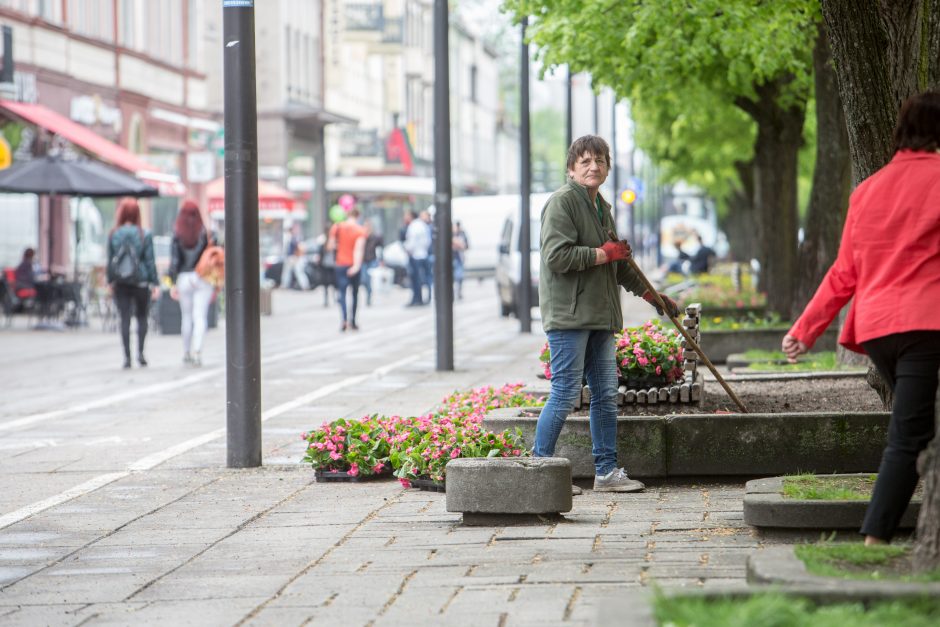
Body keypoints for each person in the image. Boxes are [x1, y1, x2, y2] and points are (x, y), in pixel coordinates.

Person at [783, 91, 940, 546]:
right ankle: (875, 538)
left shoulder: (867, 190)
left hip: (878, 329)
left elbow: (844, 272)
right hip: (925, 326)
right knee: (910, 434)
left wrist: (805, 329)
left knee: (916, 427)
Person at [535, 135, 679, 494]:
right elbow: (558, 256)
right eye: (584, 161)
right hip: (570, 317)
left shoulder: (602, 207)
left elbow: (620, 264)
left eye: (599, 160)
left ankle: (606, 471)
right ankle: (538, 470)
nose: (592, 167)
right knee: (566, 392)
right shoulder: (562, 203)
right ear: (571, 169)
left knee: (605, 393)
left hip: (600, 316)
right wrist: (603, 254)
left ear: (608, 168)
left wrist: (651, 295)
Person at [106, 197, 157, 369]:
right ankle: (140, 354)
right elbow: (150, 260)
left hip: (121, 282)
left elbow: (110, 260)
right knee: (142, 317)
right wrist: (154, 282)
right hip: (141, 281)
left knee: (124, 318)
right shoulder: (144, 234)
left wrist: (110, 281)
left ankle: (127, 357)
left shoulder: (114, 234)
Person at [168, 200, 214, 367]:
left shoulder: (178, 233)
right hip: (201, 277)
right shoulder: (204, 233)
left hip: (184, 278)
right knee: (200, 316)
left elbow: (174, 261)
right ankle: (197, 351)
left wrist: (172, 282)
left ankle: (186, 352)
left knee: (186, 317)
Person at [327, 207, 366, 331]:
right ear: (358, 216)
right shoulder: (360, 230)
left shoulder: (336, 227)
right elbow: (358, 250)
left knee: (342, 293)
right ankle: (353, 321)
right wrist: (356, 266)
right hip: (353, 265)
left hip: (340, 264)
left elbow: (330, 246)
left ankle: (344, 320)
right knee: (354, 293)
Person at [403, 209, 431, 306]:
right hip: (423, 254)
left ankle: (417, 299)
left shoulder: (413, 226)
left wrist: (407, 250)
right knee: (425, 278)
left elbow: (411, 242)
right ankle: (424, 298)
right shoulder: (423, 225)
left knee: (416, 279)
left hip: (415, 255)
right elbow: (428, 241)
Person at [361, 219, 383, 306]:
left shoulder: (375, 237)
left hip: (372, 260)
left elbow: (380, 248)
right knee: (364, 279)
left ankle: (369, 296)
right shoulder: (361, 237)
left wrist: (381, 260)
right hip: (363, 261)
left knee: (370, 280)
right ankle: (368, 292)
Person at [281, 224, 310, 290]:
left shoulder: (294, 238)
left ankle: (305, 285)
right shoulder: (291, 238)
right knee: (288, 272)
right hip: (292, 257)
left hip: (293, 257)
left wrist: (296, 257)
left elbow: (298, 248)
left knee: (297, 272)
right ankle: (285, 285)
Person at [452, 221, 469, 300]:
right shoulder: (450, 234)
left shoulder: (462, 234)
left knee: (459, 276)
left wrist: (459, 245)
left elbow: (466, 246)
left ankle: (458, 292)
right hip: (452, 258)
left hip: (459, 258)